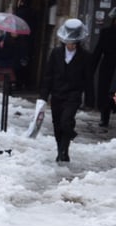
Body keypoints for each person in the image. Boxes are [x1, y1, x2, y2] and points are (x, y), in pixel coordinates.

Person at [39, 18, 94, 163]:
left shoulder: (85, 56)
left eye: (73, 43)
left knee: (66, 121)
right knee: (57, 124)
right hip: (57, 93)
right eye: (68, 42)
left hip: (73, 94)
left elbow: (88, 78)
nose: (70, 45)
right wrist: (44, 96)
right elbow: (48, 75)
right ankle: (61, 150)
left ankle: (65, 146)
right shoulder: (56, 53)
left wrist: (90, 98)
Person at [92, 12, 116, 129]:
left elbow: (98, 52)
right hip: (107, 66)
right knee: (107, 93)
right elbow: (98, 51)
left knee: (108, 93)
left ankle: (105, 116)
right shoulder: (106, 33)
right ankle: (105, 116)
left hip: (108, 66)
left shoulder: (106, 32)